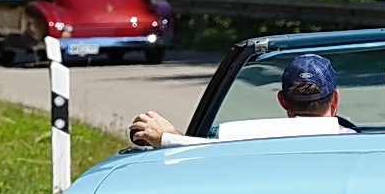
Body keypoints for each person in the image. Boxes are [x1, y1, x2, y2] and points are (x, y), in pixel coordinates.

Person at [130, 53, 348, 147]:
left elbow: (202, 154)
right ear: (335, 98)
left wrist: (167, 137)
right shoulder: (357, 143)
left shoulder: (247, 141)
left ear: (282, 100)